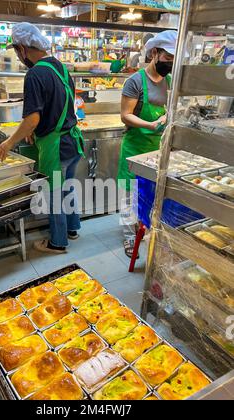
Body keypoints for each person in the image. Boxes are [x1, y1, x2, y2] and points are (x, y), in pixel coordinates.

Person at [0, 23, 84, 254]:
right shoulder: (61, 67)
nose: (18, 56)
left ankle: (58, 242)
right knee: (68, 188)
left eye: (16, 51)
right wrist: (33, 132)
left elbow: (32, 118)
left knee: (55, 194)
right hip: (72, 142)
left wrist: (10, 141)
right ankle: (72, 229)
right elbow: (60, 106)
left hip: (56, 146)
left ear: (23, 49)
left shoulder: (35, 73)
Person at [117, 30, 178, 257]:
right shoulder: (135, 82)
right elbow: (125, 115)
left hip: (157, 149)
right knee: (130, 196)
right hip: (135, 146)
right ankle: (129, 237)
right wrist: (152, 124)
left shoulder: (170, 82)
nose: (170, 63)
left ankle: (148, 231)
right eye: (167, 58)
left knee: (150, 196)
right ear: (155, 53)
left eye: (173, 59)